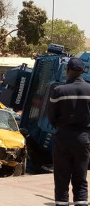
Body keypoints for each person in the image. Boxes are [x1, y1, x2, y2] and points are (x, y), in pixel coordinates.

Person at [47, 57, 90, 206]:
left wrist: (58, 126)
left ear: (67, 71)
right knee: (81, 177)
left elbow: (51, 115)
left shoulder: (59, 90)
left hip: (63, 138)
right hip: (83, 138)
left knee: (61, 178)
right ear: (82, 72)